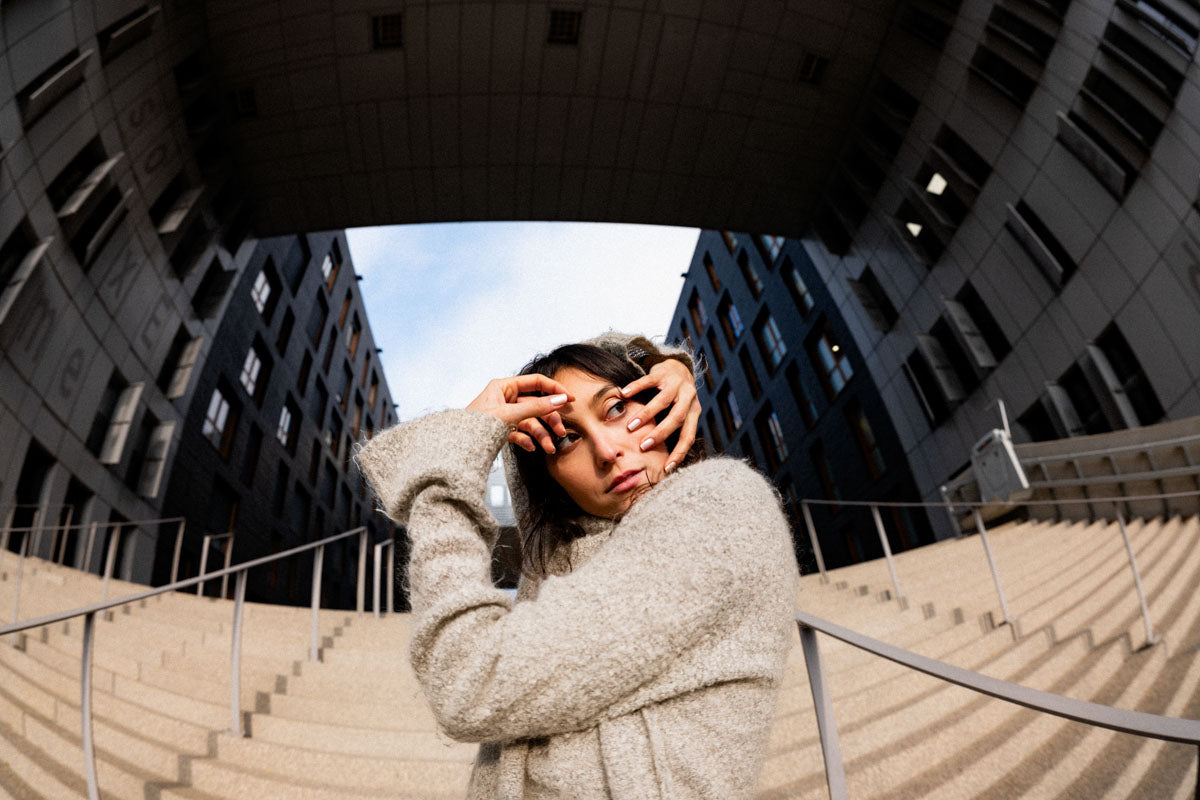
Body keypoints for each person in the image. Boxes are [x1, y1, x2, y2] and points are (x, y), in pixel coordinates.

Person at [356, 332, 798, 799]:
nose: (607, 451)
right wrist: (478, 427)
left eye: (617, 408)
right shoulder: (560, 562)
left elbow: (469, 680)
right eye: (567, 439)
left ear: (661, 406)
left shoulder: (721, 506)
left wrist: (442, 482)